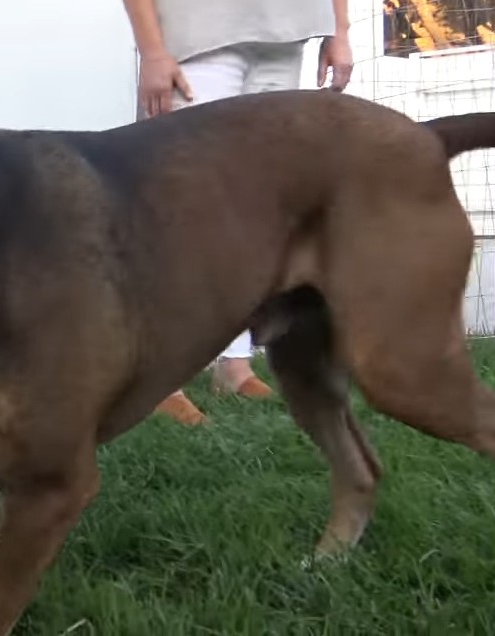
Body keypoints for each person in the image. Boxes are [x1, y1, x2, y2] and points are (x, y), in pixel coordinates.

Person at [120, 0, 355, 425]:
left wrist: (340, 29)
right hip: (199, 35)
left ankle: (233, 363)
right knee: (183, 213)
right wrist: (153, 51)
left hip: (285, 33)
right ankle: (158, 379)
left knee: (254, 213)